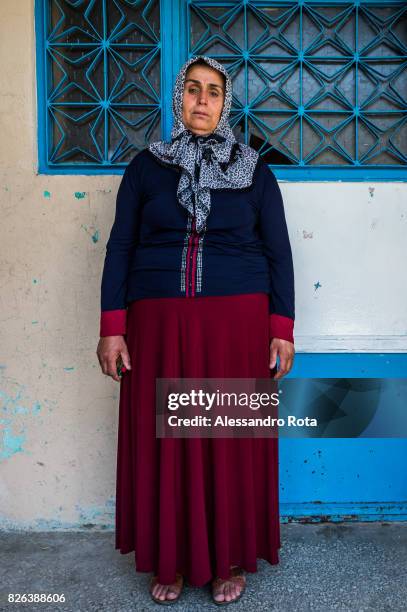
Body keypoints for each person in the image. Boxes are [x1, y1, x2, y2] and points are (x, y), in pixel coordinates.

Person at [96, 55, 295, 606]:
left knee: (224, 437)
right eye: (192, 90)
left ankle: (228, 556)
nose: (202, 100)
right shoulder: (146, 167)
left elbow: (279, 252)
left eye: (213, 91)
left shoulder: (255, 170)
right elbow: (120, 247)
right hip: (157, 327)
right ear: (178, 98)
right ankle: (173, 559)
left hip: (234, 326)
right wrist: (113, 327)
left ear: (225, 102)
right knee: (168, 440)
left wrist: (282, 328)